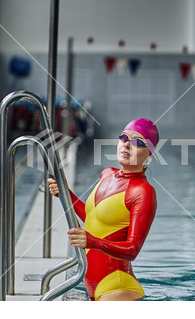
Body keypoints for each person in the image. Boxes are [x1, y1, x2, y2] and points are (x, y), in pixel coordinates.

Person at [48, 118, 159, 301]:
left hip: (118, 288)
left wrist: (92, 242)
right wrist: (66, 194)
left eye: (138, 142)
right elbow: (94, 218)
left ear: (148, 155)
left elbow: (133, 249)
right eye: (124, 138)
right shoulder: (107, 174)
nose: (127, 145)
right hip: (93, 286)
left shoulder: (143, 192)